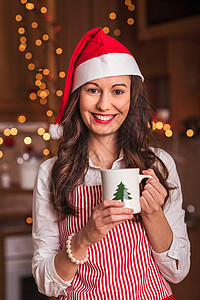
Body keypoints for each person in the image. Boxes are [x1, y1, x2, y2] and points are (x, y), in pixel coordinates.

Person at [32, 27, 190, 299]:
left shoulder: (159, 164)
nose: (105, 105)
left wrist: (153, 214)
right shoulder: (53, 173)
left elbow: (177, 272)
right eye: (93, 90)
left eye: (118, 91)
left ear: (132, 97)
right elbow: (45, 282)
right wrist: (85, 237)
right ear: (77, 96)